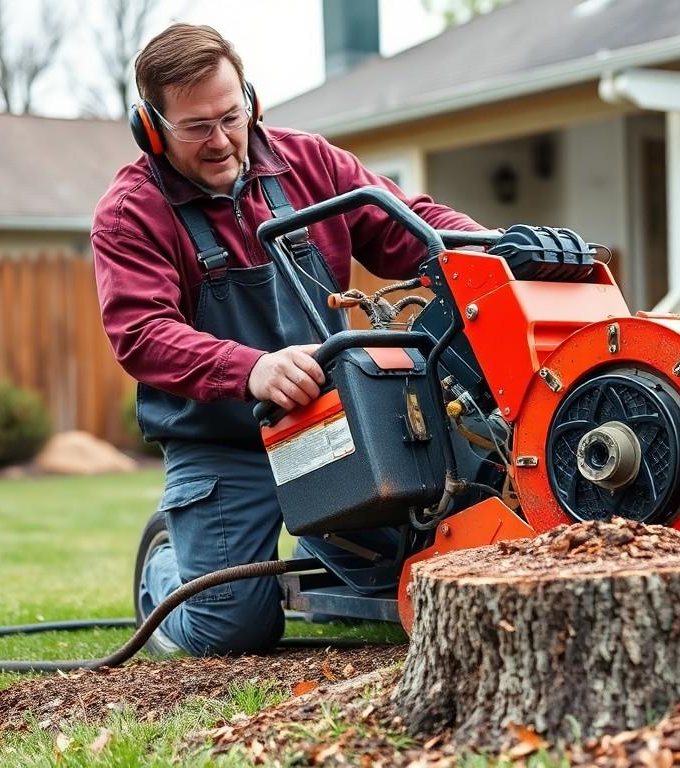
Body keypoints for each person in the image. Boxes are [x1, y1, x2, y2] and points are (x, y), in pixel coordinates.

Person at [91, 23, 484, 656]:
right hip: (223, 443)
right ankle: (166, 567)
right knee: (231, 629)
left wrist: (487, 247)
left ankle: (319, 534)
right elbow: (141, 333)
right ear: (151, 128)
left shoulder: (310, 164)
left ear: (250, 98)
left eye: (231, 115)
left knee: (398, 582)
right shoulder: (129, 212)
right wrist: (251, 369)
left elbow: (410, 226)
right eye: (195, 127)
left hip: (331, 425)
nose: (221, 141)